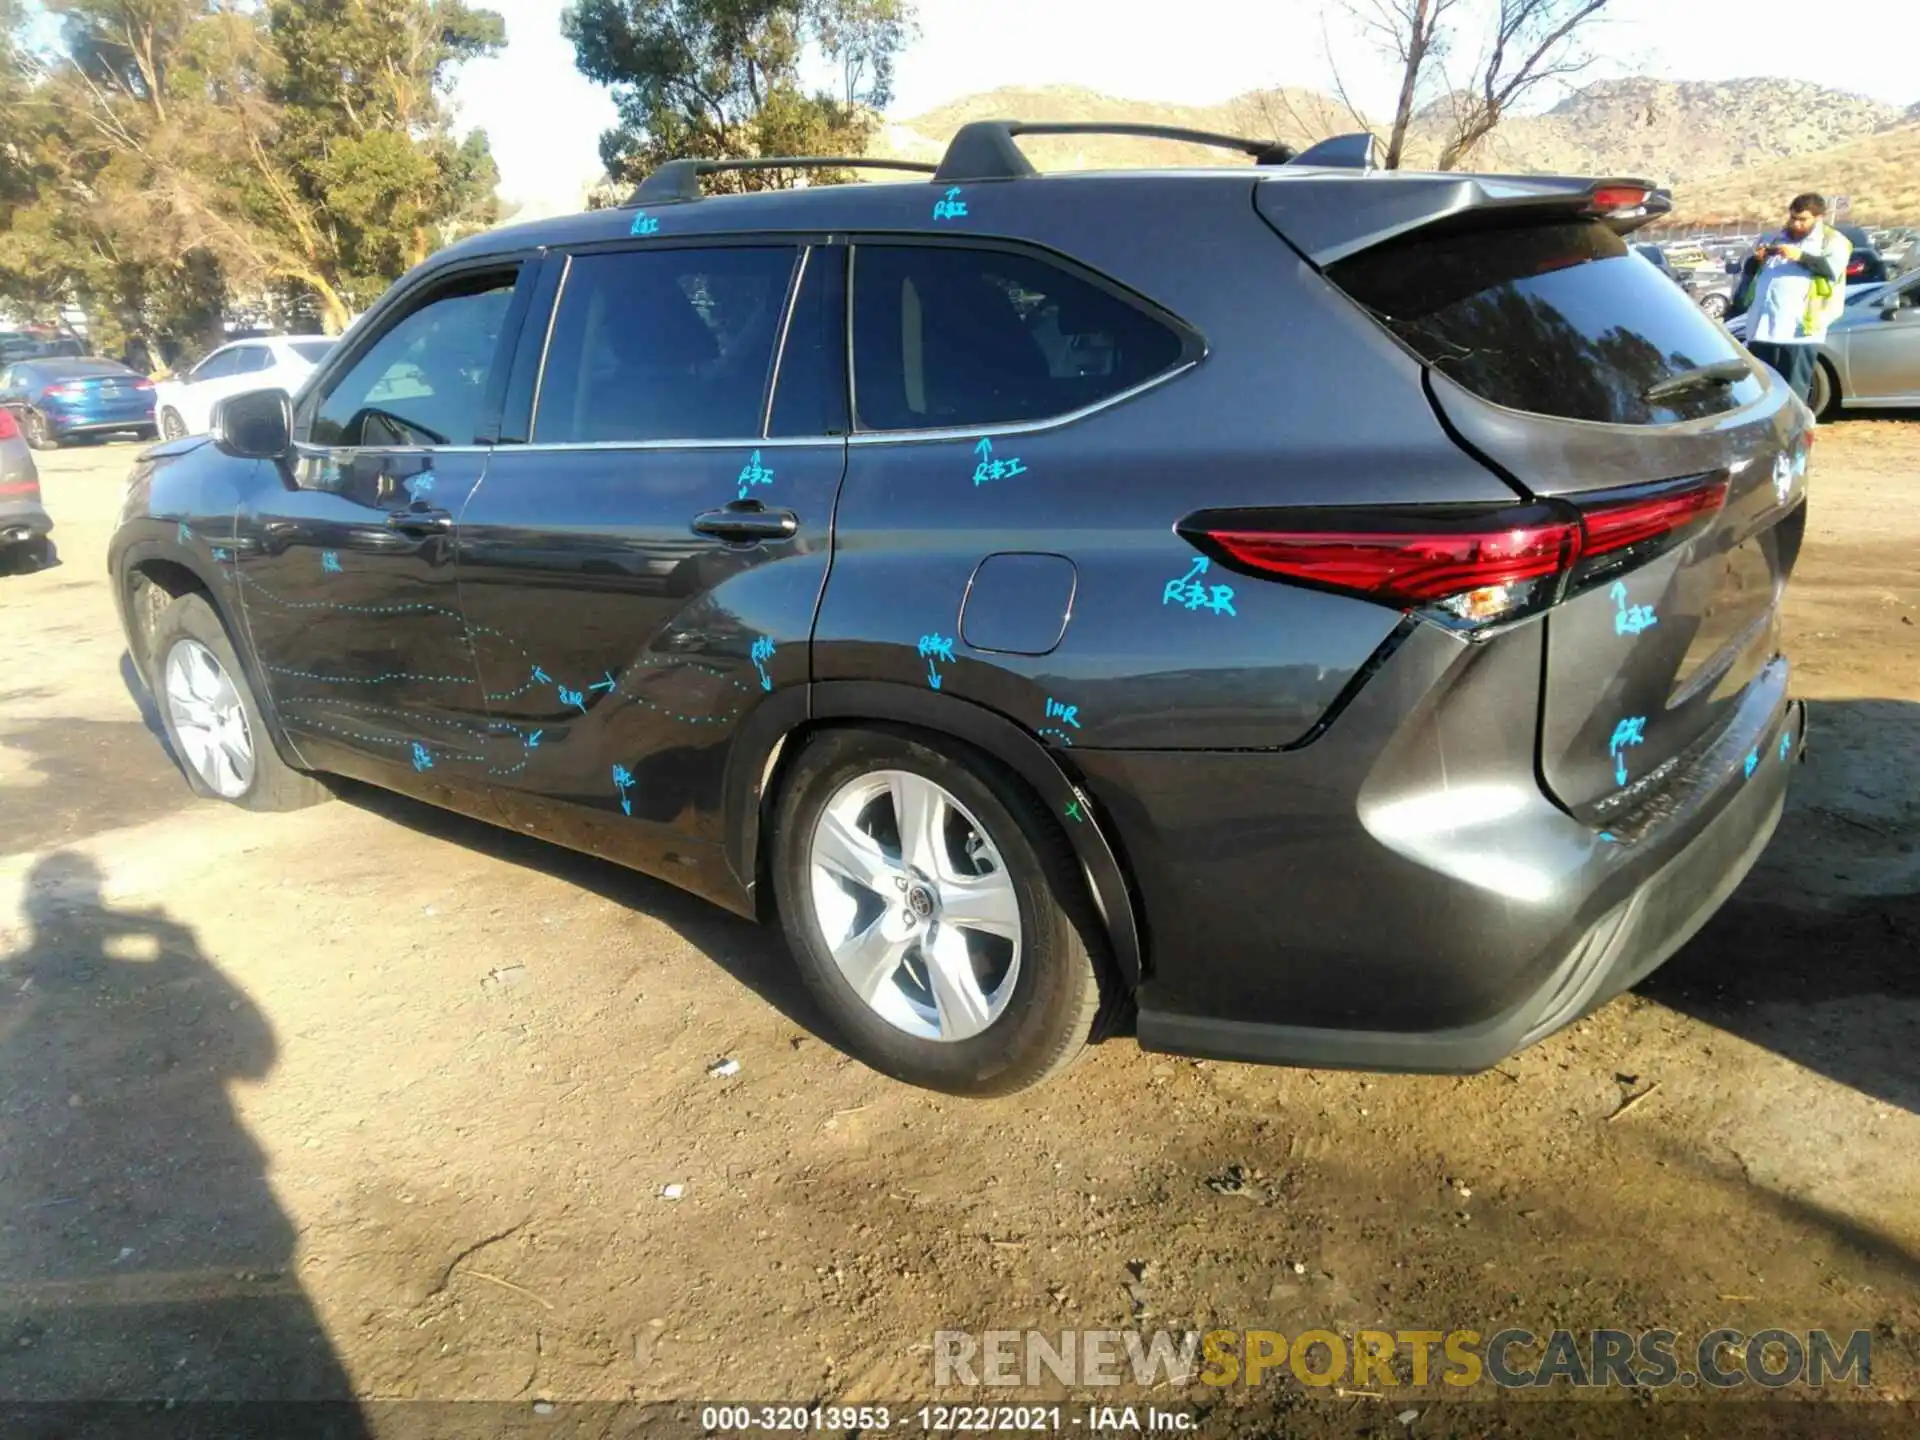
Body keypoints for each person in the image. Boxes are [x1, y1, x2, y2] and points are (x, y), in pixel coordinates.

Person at [1726, 192, 1850, 408]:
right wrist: (1757, 260)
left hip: (1798, 331)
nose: (1796, 223)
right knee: (1761, 391)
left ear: (1819, 217)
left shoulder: (1833, 241)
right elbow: (1749, 271)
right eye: (1793, 217)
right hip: (1763, 328)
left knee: (1793, 395)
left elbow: (1831, 270)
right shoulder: (1774, 238)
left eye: (1802, 219)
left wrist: (1800, 256)